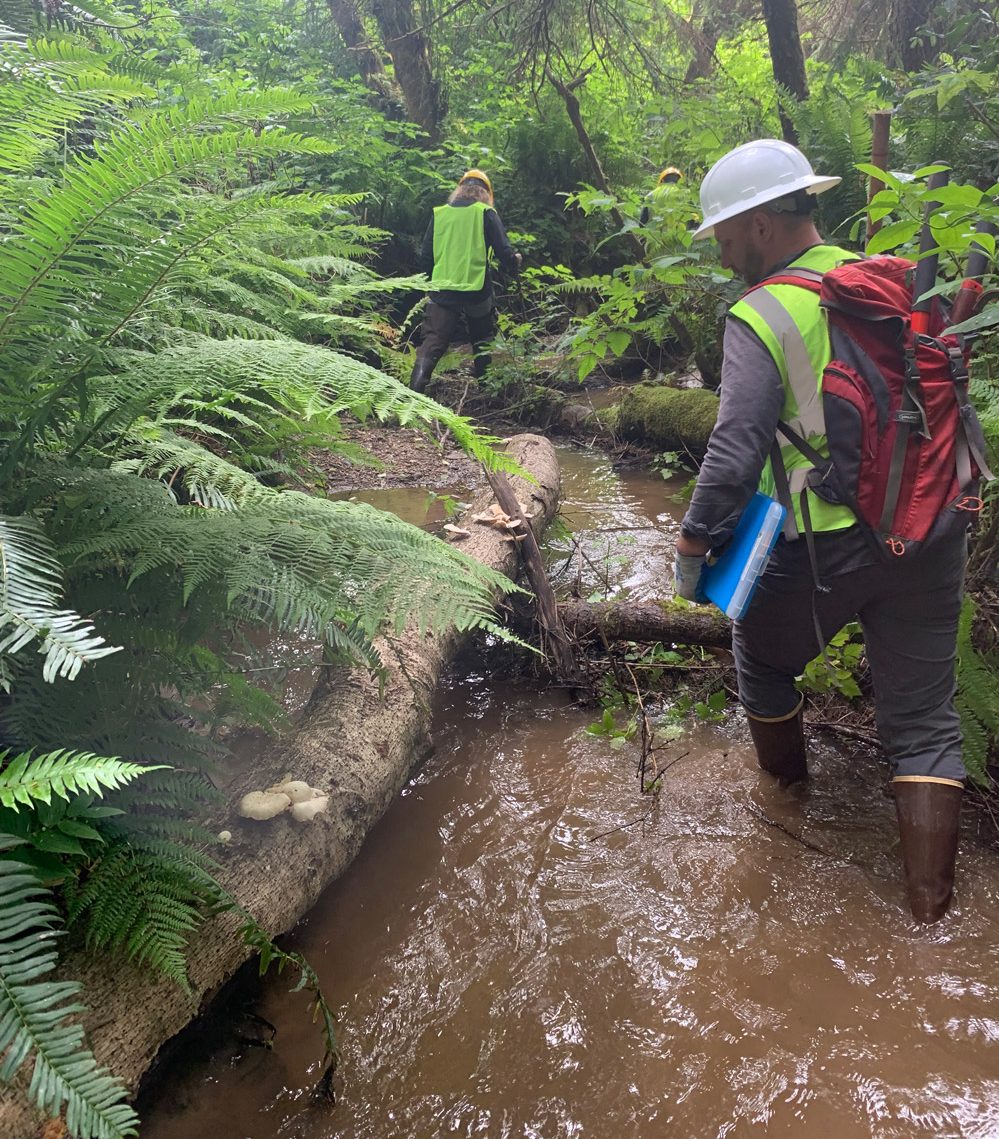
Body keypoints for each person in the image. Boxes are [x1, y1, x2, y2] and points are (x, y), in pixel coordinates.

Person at [671, 139, 968, 925]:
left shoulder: (762, 311)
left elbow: (735, 449)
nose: (723, 249)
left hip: (827, 543)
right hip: (933, 528)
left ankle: (785, 803)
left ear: (764, 224)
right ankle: (929, 917)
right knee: (925, 722)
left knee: (759, 657)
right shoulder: (885, 281)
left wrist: (694, 544)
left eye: (726, 233)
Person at [410, 169, 521, 392]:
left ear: (459, 190)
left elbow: (426, 256)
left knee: (433, 342)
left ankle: (414, 394)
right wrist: (514, 262)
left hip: (442, 288)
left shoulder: (439, 213)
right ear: (486, 193)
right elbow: (503, 250)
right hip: (476, 288)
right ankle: (487, 391)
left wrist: (428, 285)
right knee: (481, 341)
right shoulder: (486, 212)